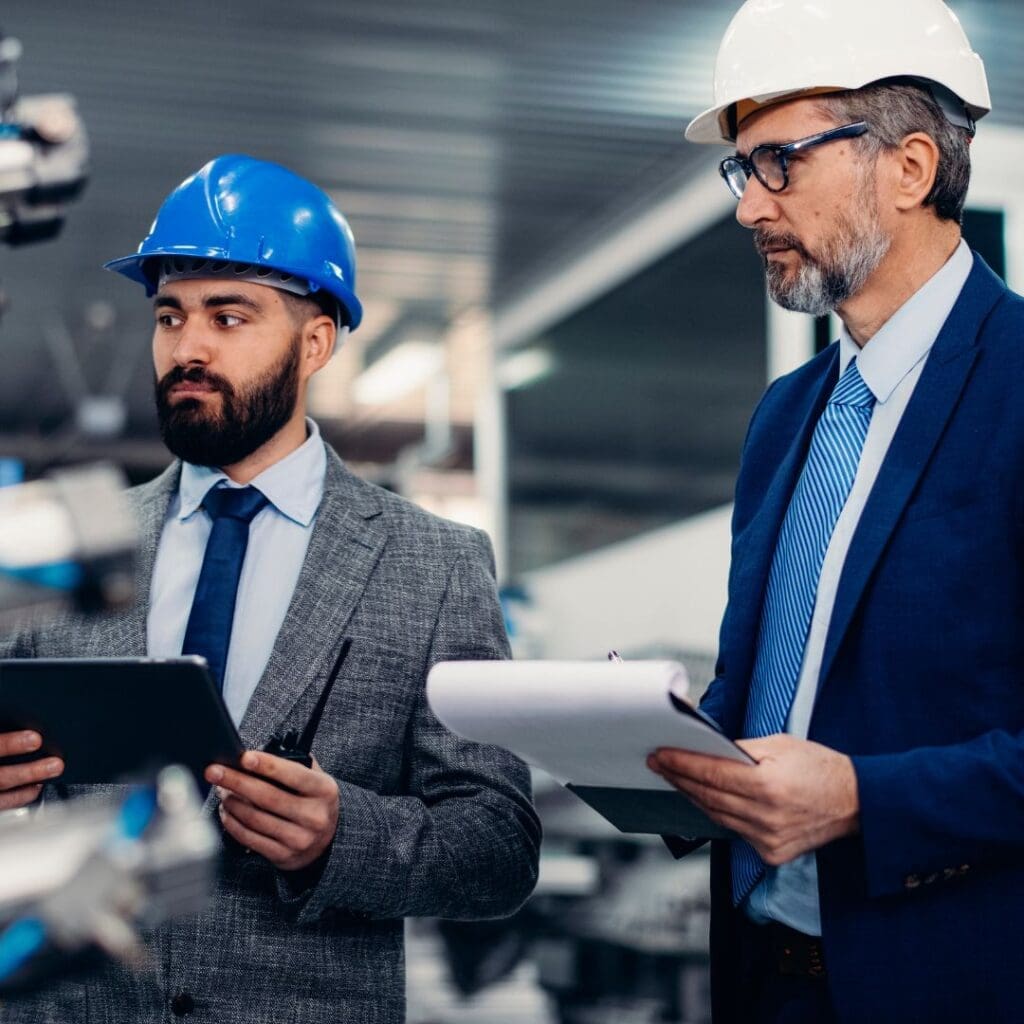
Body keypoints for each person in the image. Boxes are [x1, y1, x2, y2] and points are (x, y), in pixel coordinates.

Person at [0, 154, 540, 1023]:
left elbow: (499, 850)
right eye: (170, 316)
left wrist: (343, 836)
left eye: (229, 316)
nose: (189, 347)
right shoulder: (64, 548)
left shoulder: (432, 564)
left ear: (315, 341)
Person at [645, 1, 1024, 1021]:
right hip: (764, 976)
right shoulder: (786, 416)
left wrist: (865, 797)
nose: (746, 206)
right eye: (742, 168)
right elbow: (763, 687)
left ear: (906, 169)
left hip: (949, 985)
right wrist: (653, 732)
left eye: (779, 161)